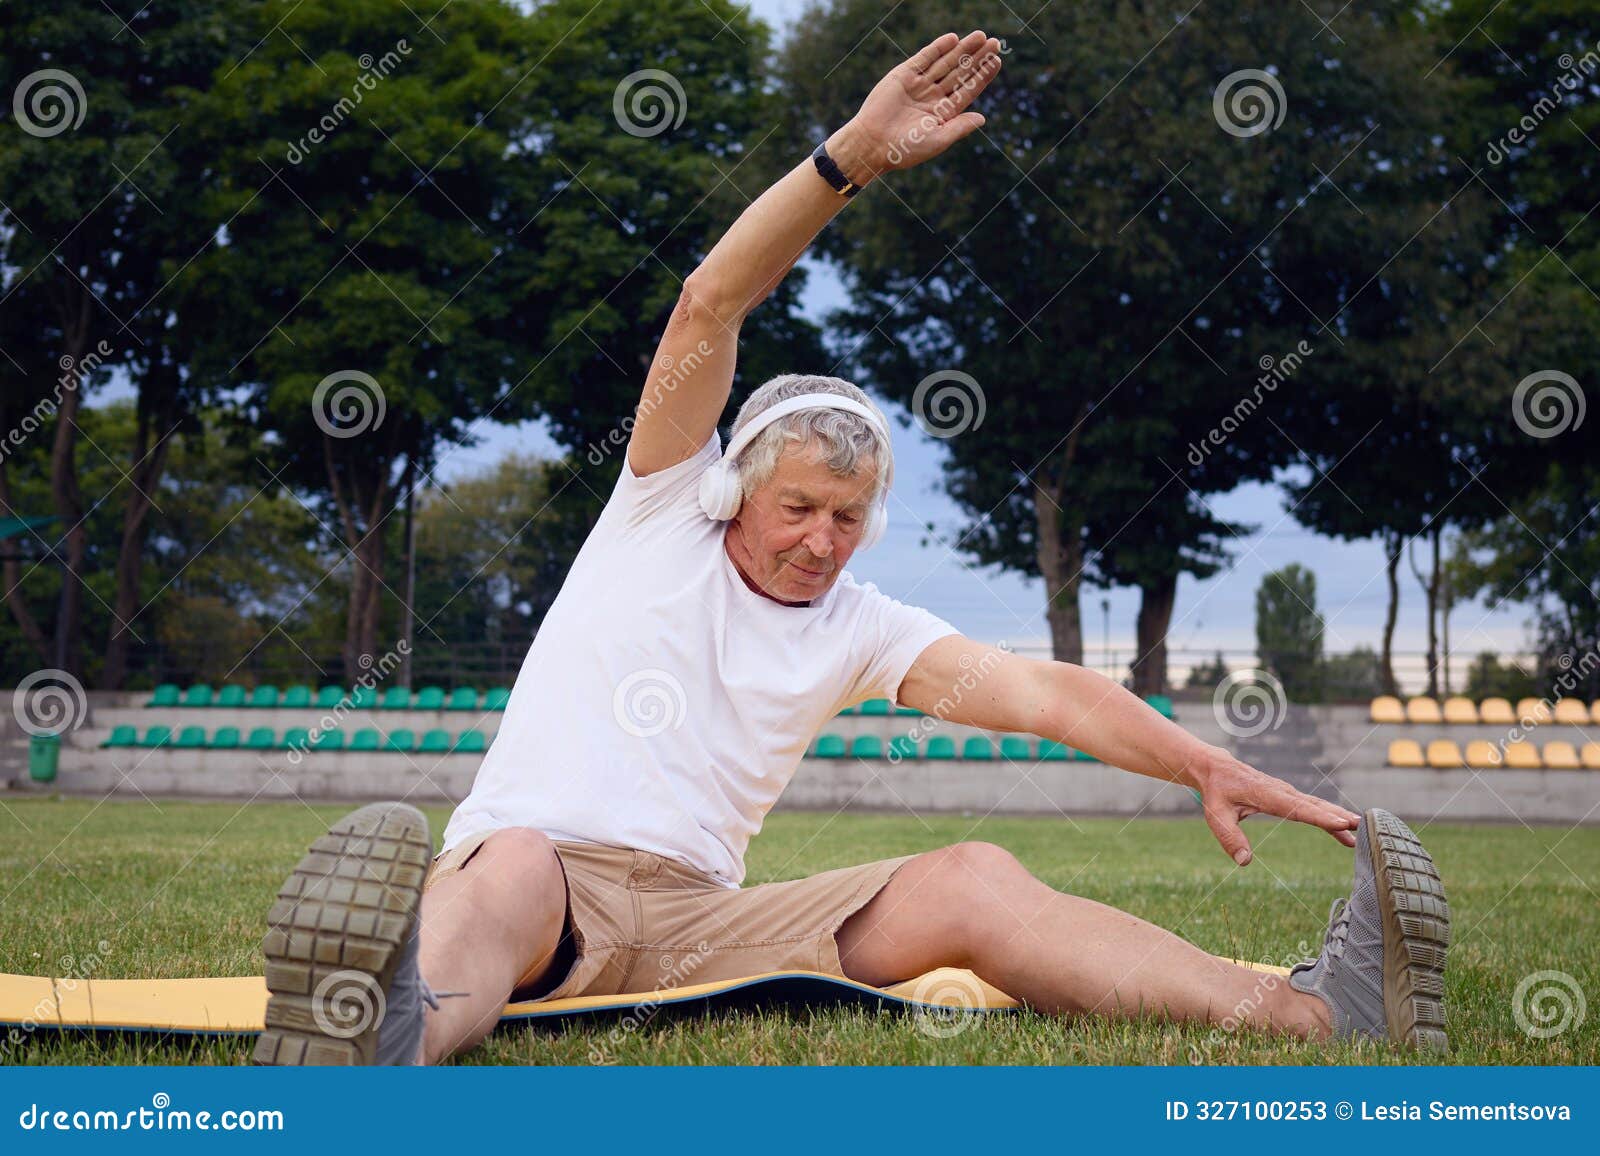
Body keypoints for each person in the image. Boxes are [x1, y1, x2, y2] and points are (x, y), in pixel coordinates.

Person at [254, 30, 1449, 1066]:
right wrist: (848, 162)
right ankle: (375, 1046)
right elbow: (708, 304)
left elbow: (1045, 692)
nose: (822, 540)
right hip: (538, 888)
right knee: (507, 858)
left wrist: (1198, 762)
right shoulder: (663, 505)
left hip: (693, 930)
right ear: (739, 487)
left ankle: (1312, 1017)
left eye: (848, 516)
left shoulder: (860, 625)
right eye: (799, 509)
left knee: (974, 874)